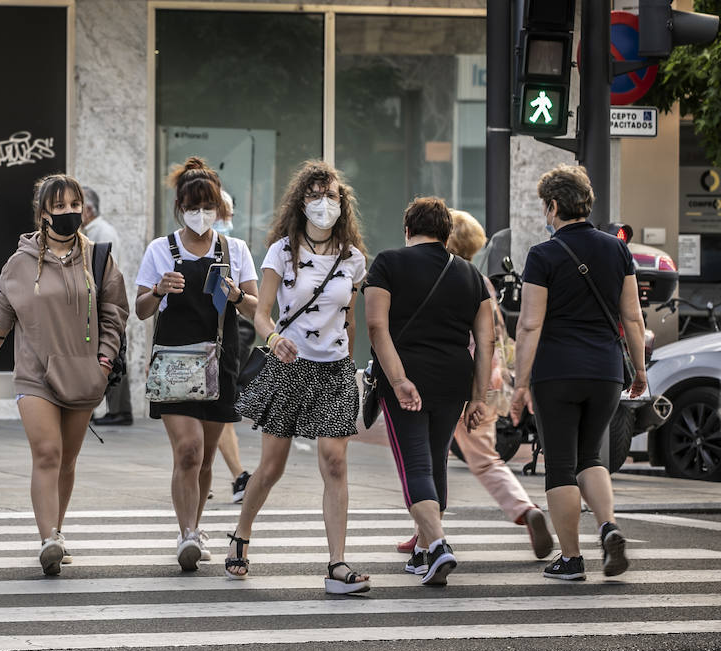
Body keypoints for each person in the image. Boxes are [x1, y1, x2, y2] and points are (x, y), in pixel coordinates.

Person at [0, 175, 129, 575]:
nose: (69, 213)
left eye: (74, 204)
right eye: (59, 207)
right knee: (47, 453)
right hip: (35, 375)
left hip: (82, 372)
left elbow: (114, 312)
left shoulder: (98, 257)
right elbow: (1, 321)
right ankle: (48, 539)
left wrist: (105, 359)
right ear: (43, 214)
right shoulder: (20, 263)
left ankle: (58, 528)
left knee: (68, 460)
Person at [229, 161, 368, 593]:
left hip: (334, 370)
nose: (323, 204)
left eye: (331, 195)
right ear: (301, 202)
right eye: (314, 195)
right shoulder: (281, 252)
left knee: (335, 461)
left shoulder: (354, 259)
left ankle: (338, 564)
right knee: (271, 467)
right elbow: (262, 314)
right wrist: (274, 341)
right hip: (289, 366)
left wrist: (349, 354)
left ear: (342, 202)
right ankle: (241, 534)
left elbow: (349, 319)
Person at [390, 209, 551, 560]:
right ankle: (423, 533)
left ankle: (522, 510)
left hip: (462, 384)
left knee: (452, 460)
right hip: (489, 379)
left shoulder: (449, 280)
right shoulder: (480, 280)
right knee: (438, 459)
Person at [510, 165, 646, 581]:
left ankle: (571, 559)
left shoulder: (543, 254)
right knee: (591, 456)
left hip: (557, 371)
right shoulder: (617, 250)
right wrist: (639, 370)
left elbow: (530, 324)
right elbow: (633, 317)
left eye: (544, 207)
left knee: (561, 464)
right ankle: (608, 527)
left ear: (553, 205)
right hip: (606, 370)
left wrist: (519, 384)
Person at [364, 197, 495, 585]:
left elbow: (375, 326)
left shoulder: (388, 262)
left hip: (408, 376)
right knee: (436, 459)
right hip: (454, 379)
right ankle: (422, 552)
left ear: (408, 230)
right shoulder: (471, 275)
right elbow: (484, 342)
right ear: (446, 233)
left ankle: (437, 545)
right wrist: (479, 397)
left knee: (415, 465)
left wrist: (399, 379)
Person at [137, 158, 259, 571]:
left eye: (209, 207)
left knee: (206, 456)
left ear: (220, 209)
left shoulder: (235, 249)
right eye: (194, 206)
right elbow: (139, 309)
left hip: (220, 359)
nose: (202, 214)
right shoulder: (161, 249)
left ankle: (197, 526)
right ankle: (186, 532)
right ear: (180, 206)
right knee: (187, 450)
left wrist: (237, 295)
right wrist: (158, 290)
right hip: (174, 360)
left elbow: (256, 306)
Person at [81, 185, 134, 427]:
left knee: (112, 355)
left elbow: (101, 272)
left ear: (88, 209)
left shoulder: (101, 232)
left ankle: (120, 410)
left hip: (106, 305)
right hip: (100, 305)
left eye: (75, 205)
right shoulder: (93, 230)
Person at [216, 190, 251, 503]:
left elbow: (254, 303)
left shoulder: (235, 249)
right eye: (221, 214)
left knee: (220, 412)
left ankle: (237, 475)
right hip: (189, 346)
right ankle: (235, 474)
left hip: (227, 338)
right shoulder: (173, 248)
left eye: (229, 214)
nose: (226, 221)